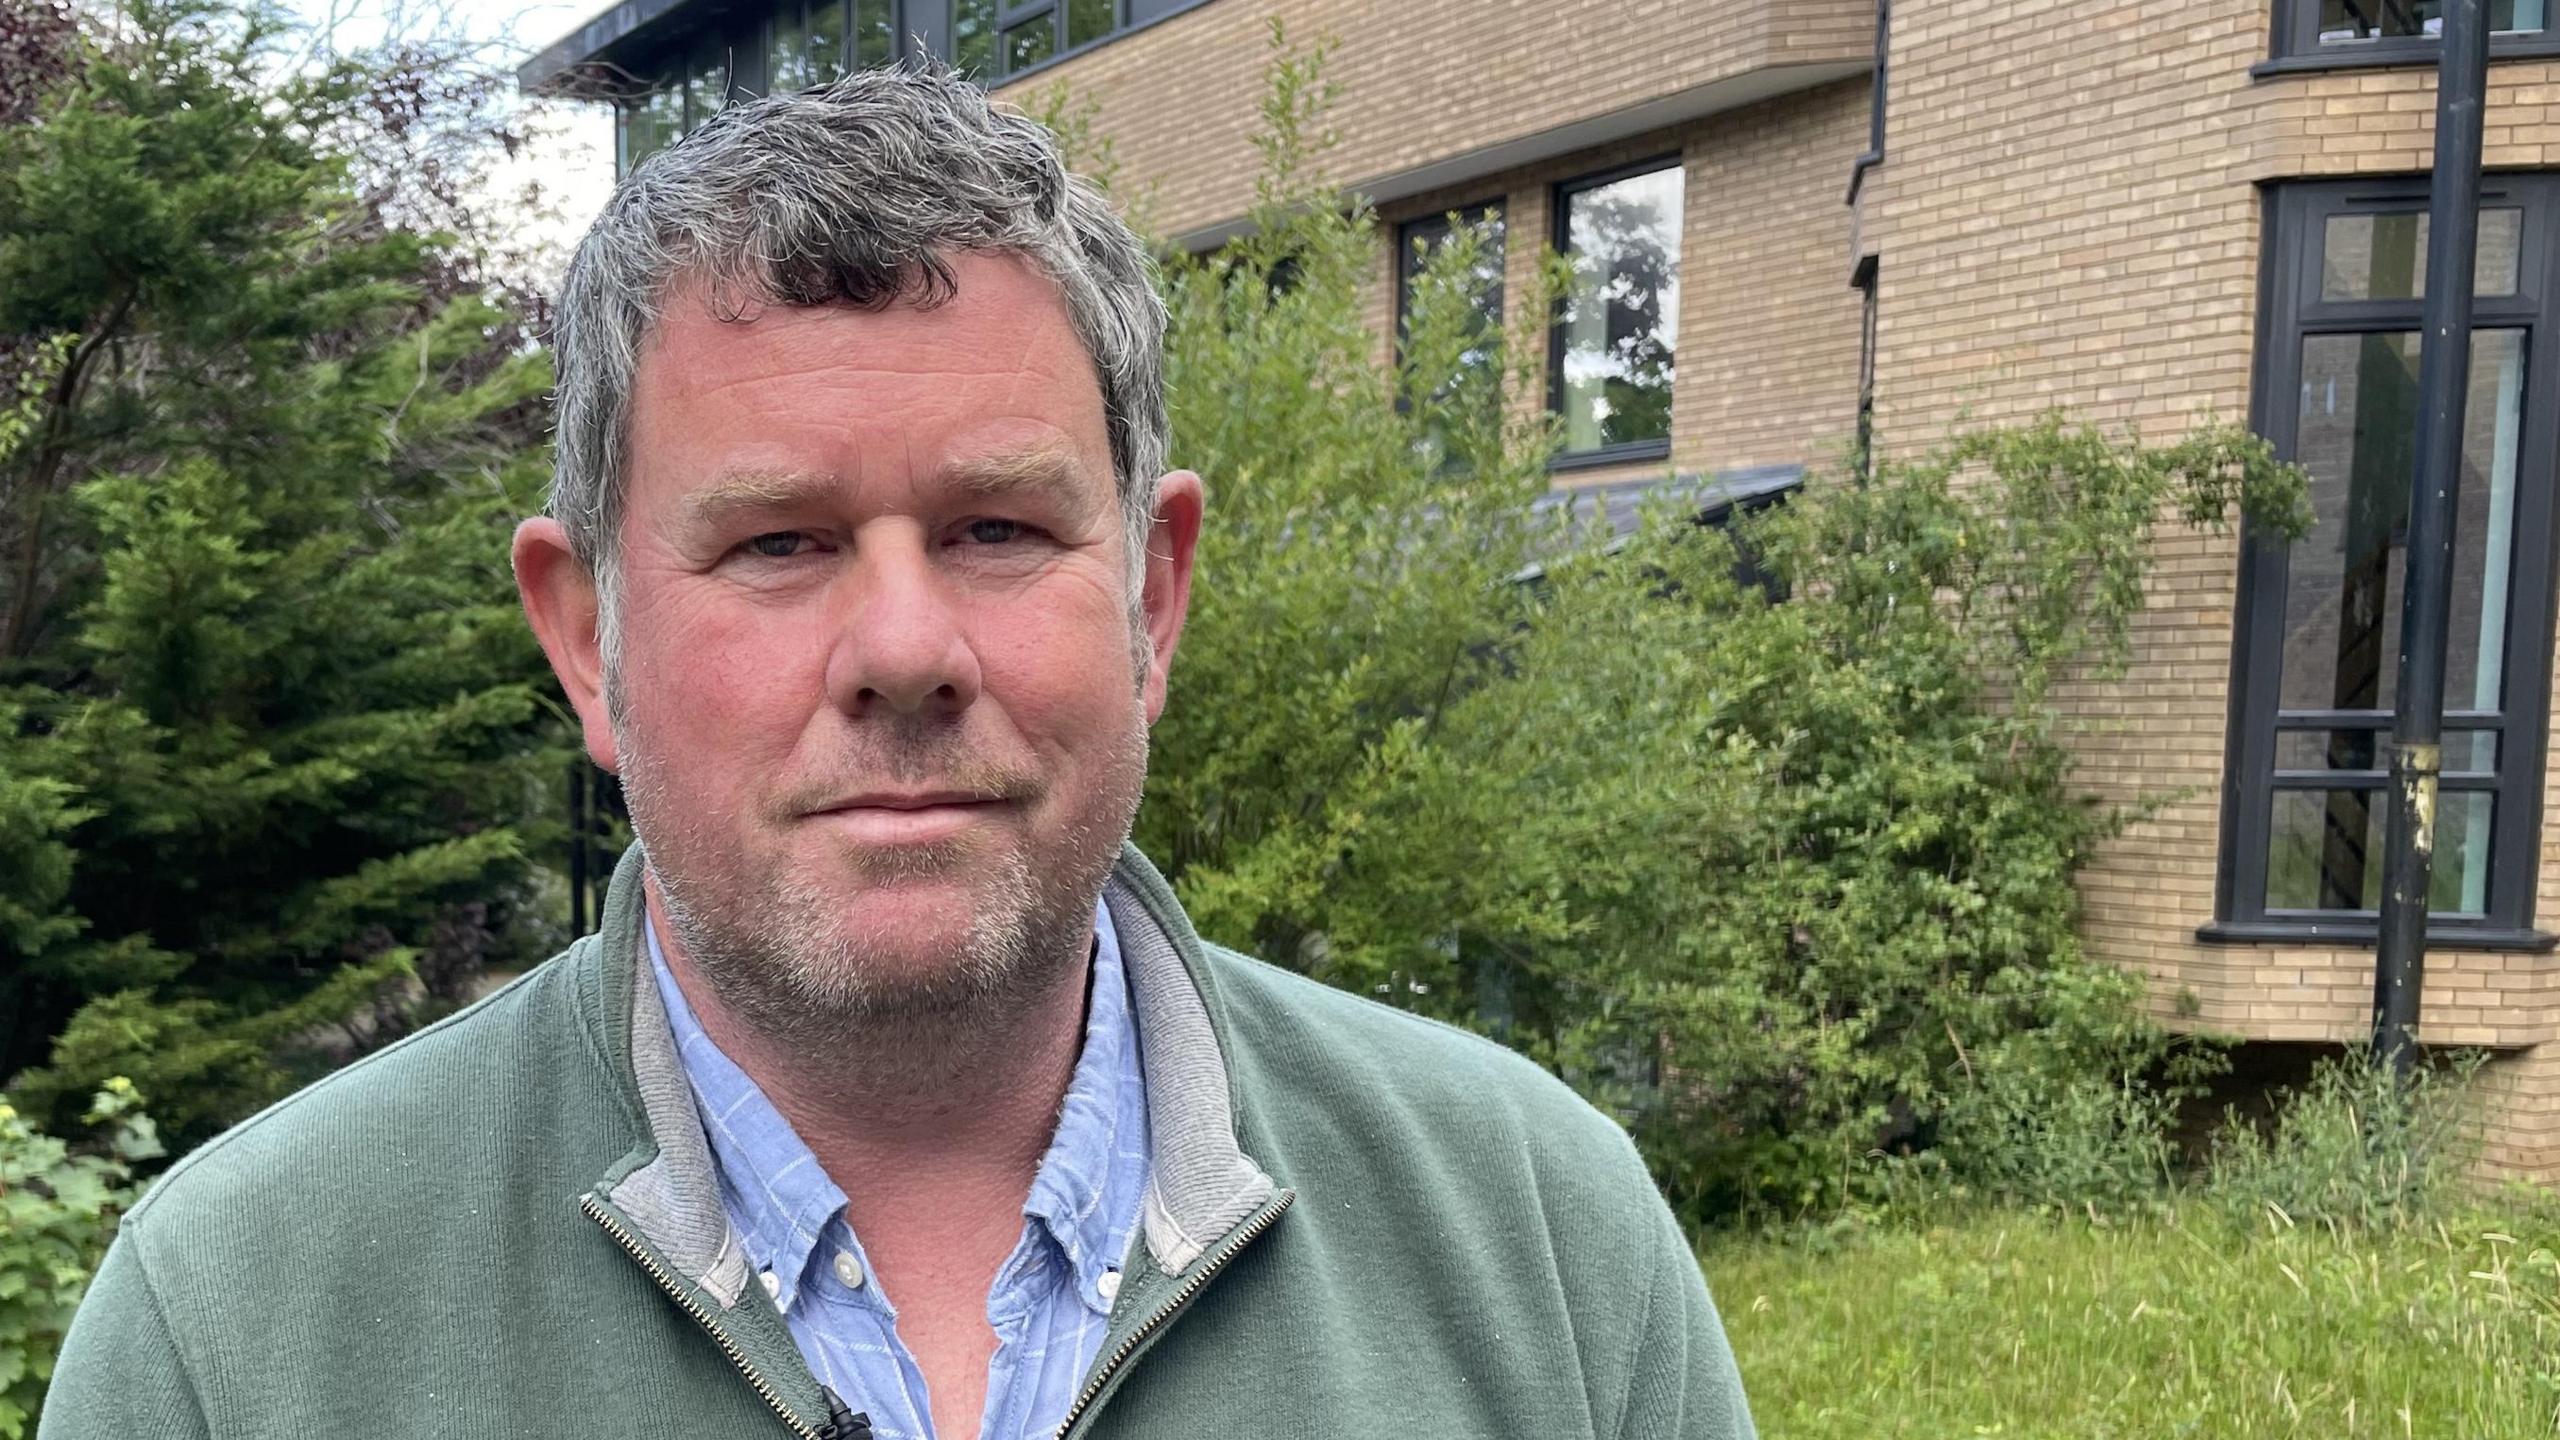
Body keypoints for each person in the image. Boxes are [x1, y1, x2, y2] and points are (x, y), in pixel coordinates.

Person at [40, 68, 1754, 1440]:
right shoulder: (234, 1338)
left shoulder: (1542, 1244)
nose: (906, 653)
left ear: (1152, 597)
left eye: (1000, 528)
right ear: (588, 638)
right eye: (777, 544)